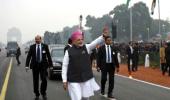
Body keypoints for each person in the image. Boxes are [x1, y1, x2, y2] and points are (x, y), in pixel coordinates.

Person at [62, 28, 109, 100]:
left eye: (81, 39)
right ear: (74, 41)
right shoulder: (68, 51)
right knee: (77, 97)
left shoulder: (86, 47)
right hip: (74, 80)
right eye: (78, 40)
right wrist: (64, 80)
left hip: (85, 78)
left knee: (86, 98)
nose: (81, 41)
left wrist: (103, 36)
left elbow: (95, 42)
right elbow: (65, 66)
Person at [25, 35, 53, 100]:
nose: (37, 40)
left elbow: (48, 56)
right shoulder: (32, 47)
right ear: (35, 40)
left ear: (41, 39)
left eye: (38, 39)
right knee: (35, 81)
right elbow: (29, 56)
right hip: (35, 66)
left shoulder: (45, 46)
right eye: (36, 39)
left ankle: (43, 92)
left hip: (43, 66)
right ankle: (37, 94)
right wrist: (27, 65)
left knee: (44, 80)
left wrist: (51, 65)